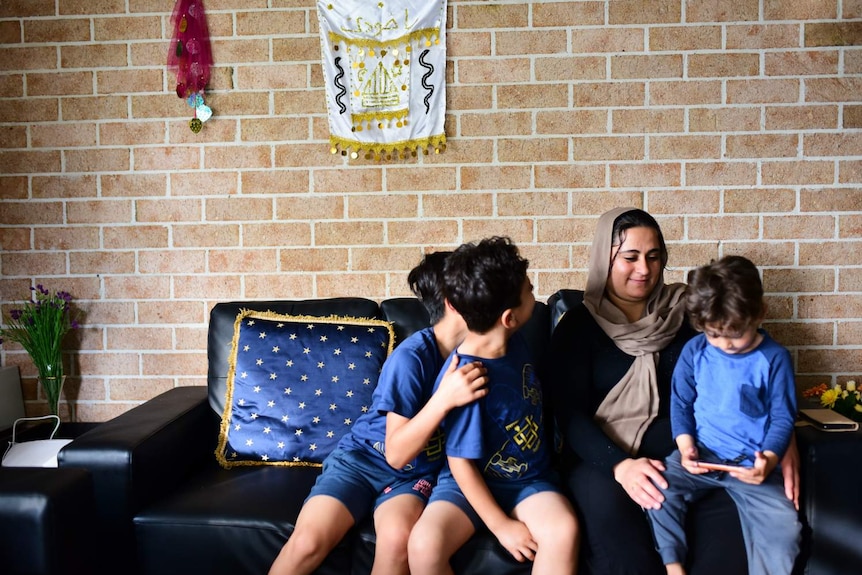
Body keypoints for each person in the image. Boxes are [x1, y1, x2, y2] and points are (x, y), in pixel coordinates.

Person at [543, 207, 800, 575]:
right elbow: (567, 413)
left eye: (653, 256)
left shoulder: (686, 311)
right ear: (605, 258)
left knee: (728, 522)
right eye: (629, 257)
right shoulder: (578, 326)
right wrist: (621, 467)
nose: (644, 269)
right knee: (611, 518)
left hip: (694, 454)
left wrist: (782, 442)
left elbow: (750, 354)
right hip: (606, 461)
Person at [268, 251, 489, 575]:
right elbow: (397, 451)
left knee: (399, 541)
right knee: (307, 542)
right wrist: (443, 400)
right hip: (363, 459)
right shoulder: (411, 357)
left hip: (414, 474)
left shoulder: (478, 353)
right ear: (453, 301)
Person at [408, 236, 579, 575]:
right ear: (508, 318)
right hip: (466, 484)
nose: (534, 292)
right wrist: (501, 526)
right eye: (530, 290)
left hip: (528, 479)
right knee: (423, 544)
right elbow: (460, 465)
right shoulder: (466, 377)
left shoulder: (513, 342)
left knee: (564, 530)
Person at [647, 255, 801, 575]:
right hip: (702, 455)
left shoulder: (774, 359)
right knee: (658, 490)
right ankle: (674, 567)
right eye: (714, 334)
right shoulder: (696, 351)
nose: (725, 345)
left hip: (750, 463)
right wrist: (686, 445)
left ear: (759, 314)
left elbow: (783, 417)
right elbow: (681, 403)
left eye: (735, 333)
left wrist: (769, 461)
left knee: (786, 530)